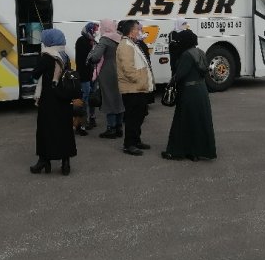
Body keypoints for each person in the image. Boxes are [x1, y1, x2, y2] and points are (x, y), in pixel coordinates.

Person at [162, 29, 217, 161]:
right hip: (201, 90)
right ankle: (196, 152)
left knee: (183, 122)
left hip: (189, 91)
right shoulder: (201, 52)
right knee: (198, 121)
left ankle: (177, 151)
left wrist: (170, 83)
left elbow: (180, 74)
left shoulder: (186, 55)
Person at [31, 29, 77, 175]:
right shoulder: (64, 56)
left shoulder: (47, 56)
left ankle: (44, 161)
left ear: (49, 41)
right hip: (64, 100)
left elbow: (34, 74)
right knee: (64, 130)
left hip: (49, 100)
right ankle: (65, 163)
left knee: (46, 130)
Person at [116, 20, 154, 156]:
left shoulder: (131, 43)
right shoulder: (126, 45)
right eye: (137, 29)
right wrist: (140, 80)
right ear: (131, 31)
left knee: (140, 115)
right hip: (132, 89)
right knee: (133, 117)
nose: (140, 31)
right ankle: (129, 144)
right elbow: (128, 69)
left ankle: (136, 140)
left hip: (138, 88)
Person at [87, 19, 125, 139]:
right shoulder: (119, 37)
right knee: (119, 98)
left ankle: (111, 128)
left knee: (109, 98)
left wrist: (90, 57)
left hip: (108, 72)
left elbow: (96, 56)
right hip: (119, 70)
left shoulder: (105, 39)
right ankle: (119, 127)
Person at [74, 22, 98, 134]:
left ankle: (92, 118)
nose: (96, 32)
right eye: (94, 30)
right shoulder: (82, 41)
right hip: (85, 76)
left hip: (92, 75)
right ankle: (83, 123)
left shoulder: (93, 41)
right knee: (85, 98)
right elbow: (83, 61)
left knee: (92, 98)